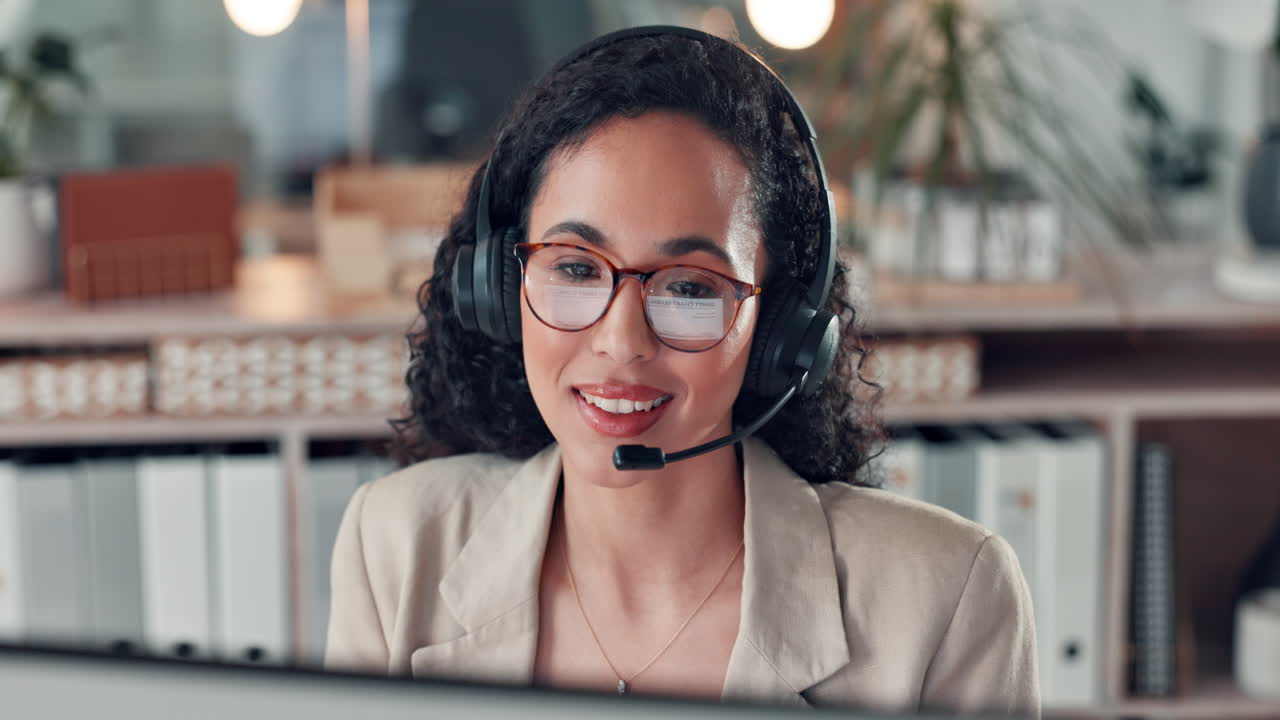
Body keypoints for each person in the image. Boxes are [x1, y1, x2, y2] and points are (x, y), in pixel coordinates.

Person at [325, 26, 1039, 717]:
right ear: (498, 289)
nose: (622, 342)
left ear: (780, 330)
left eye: (691, 287)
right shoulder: (397, 544)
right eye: (575, 268)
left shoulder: (947, 596)